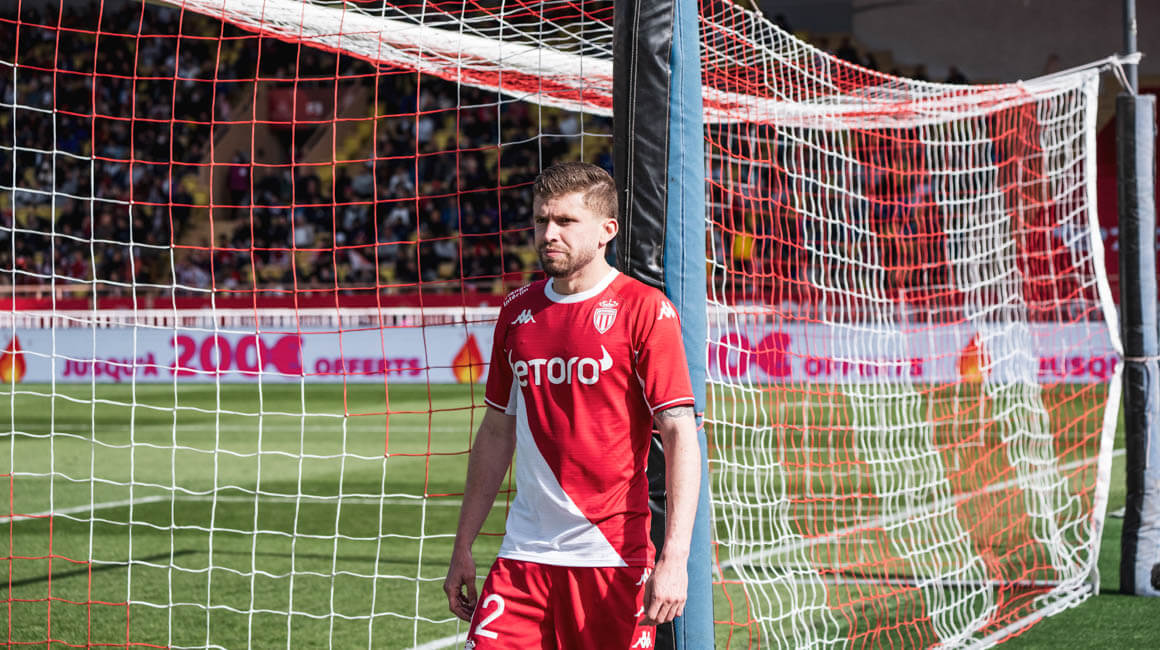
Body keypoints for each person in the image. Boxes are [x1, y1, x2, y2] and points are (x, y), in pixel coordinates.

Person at [443, 162, 701, 649]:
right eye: (542, 220)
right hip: (523, 555)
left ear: (607, 230)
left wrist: (675, 557)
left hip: (611, 559)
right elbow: (496, 430)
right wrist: (463, 545)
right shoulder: (517, 311)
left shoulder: (645, 309)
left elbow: (679, 433)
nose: (548, 234)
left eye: (565, 221)